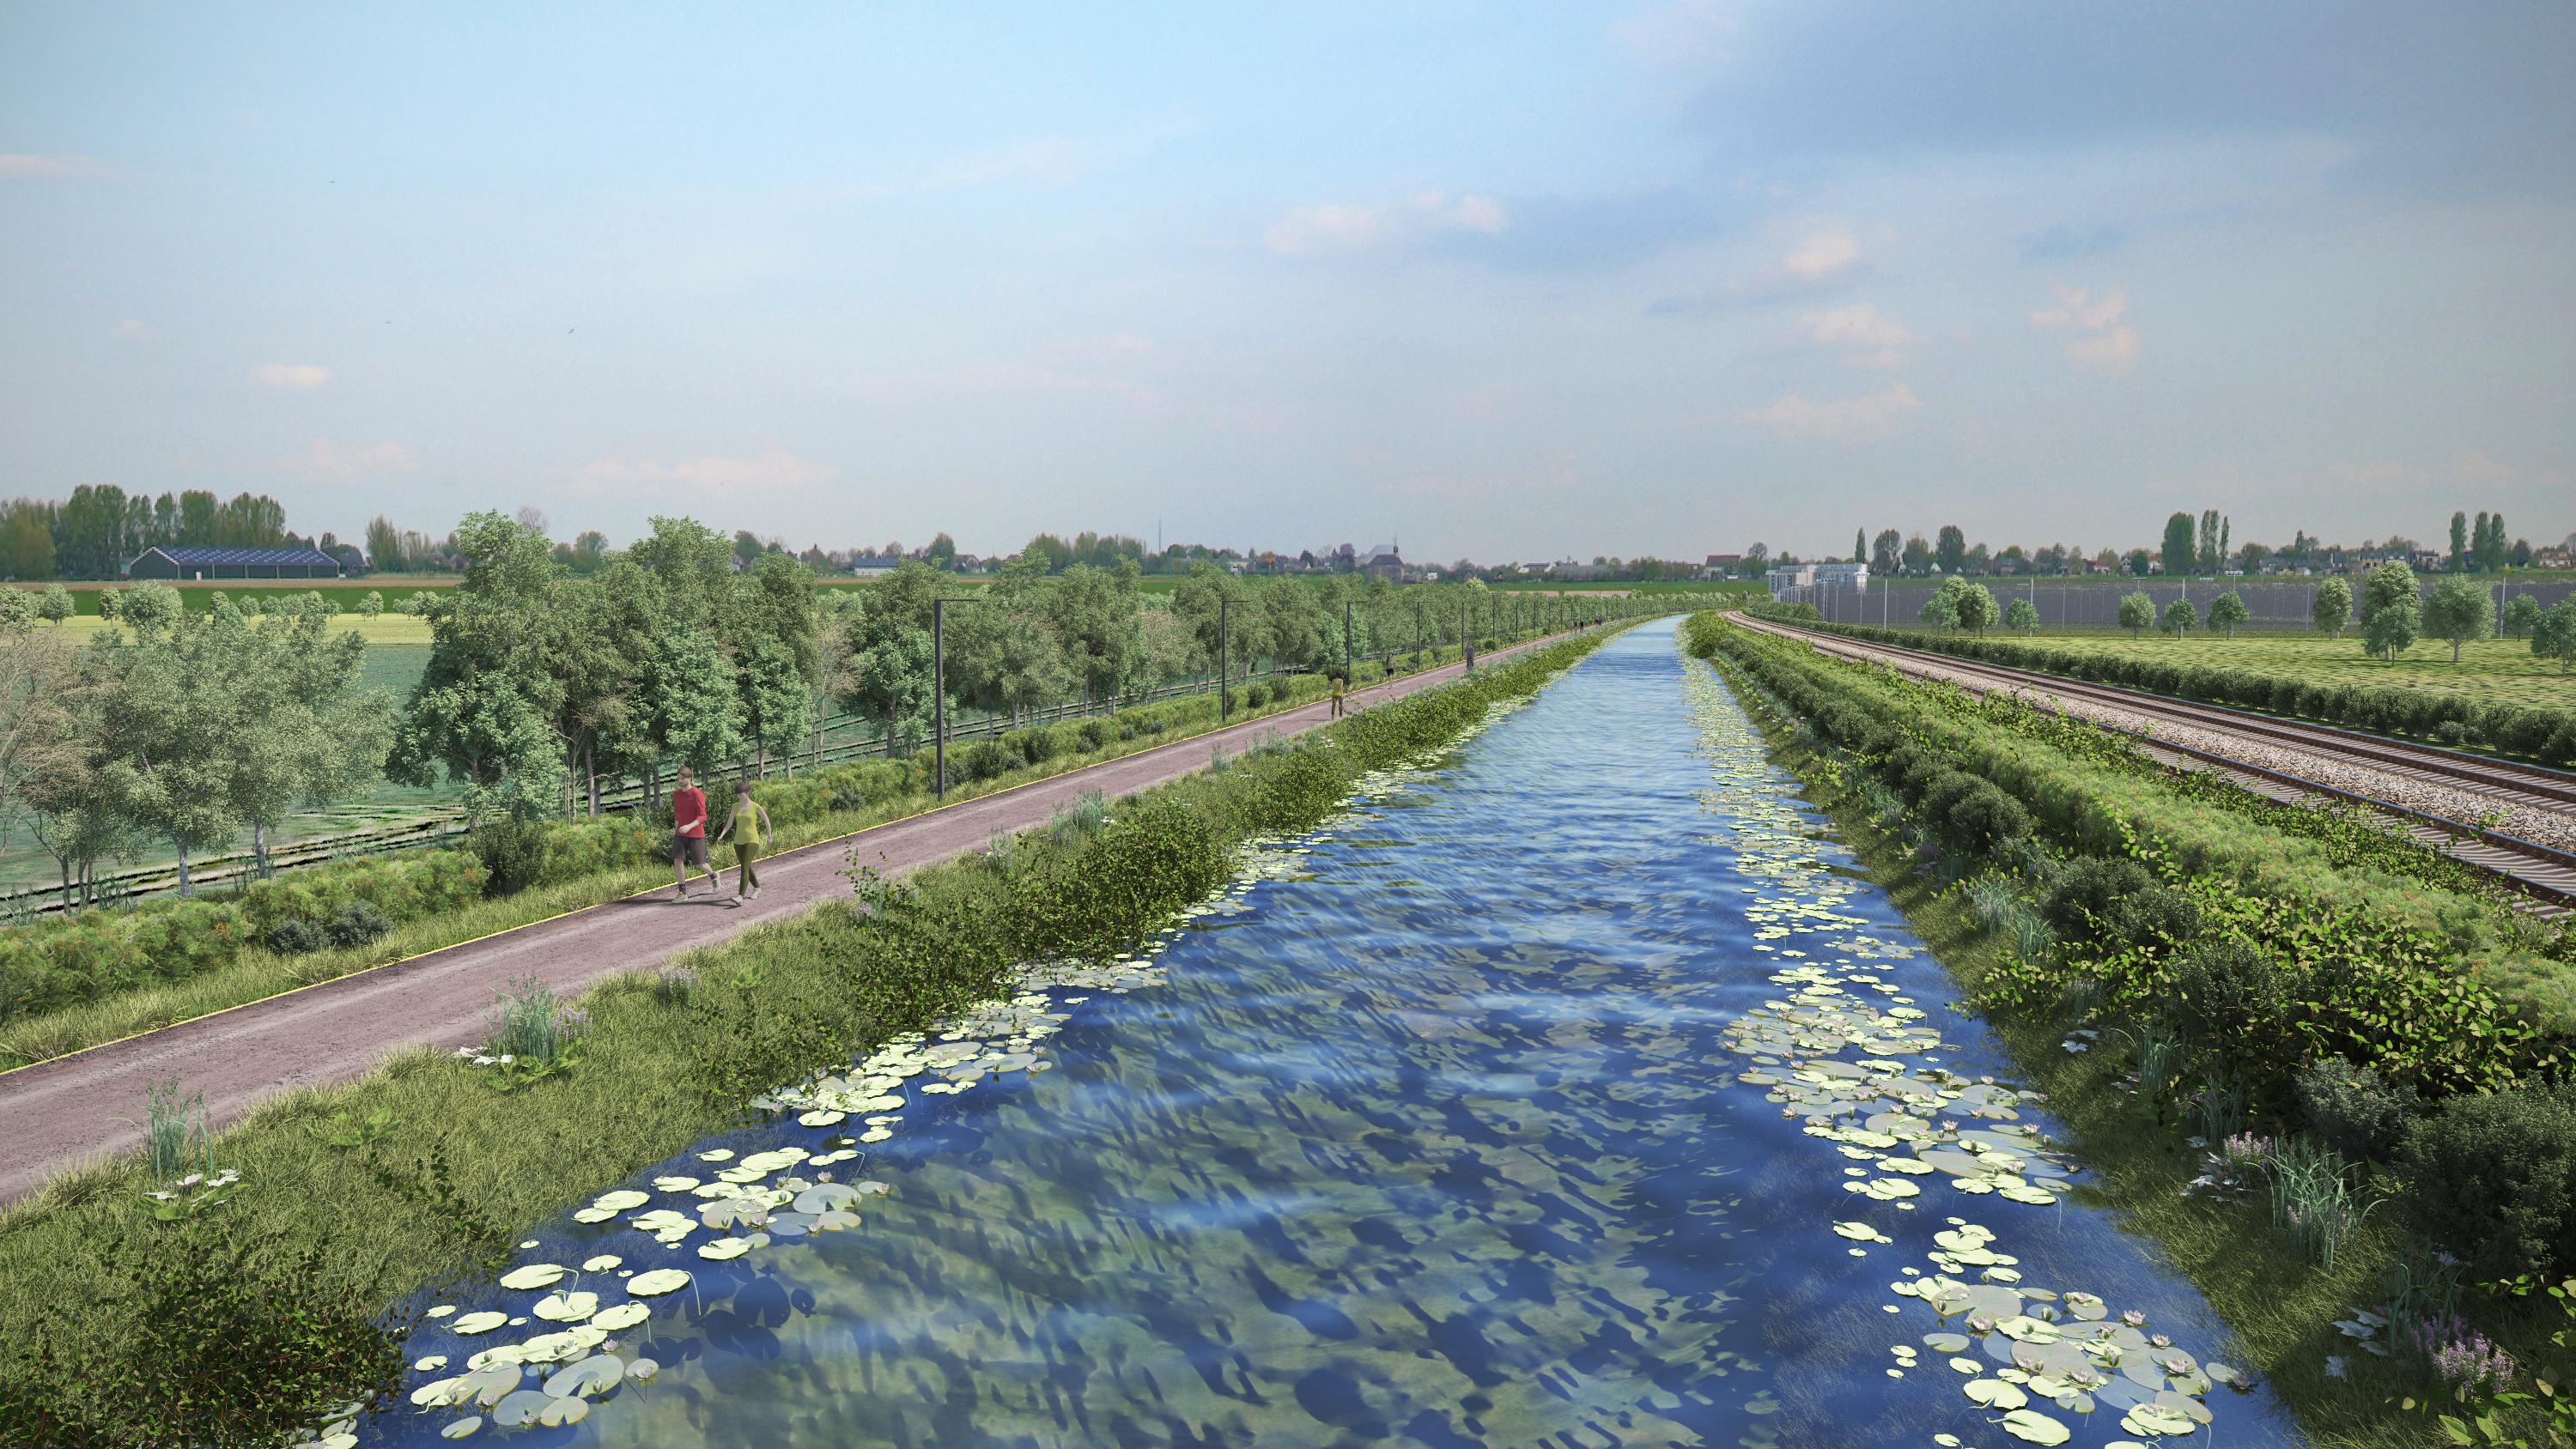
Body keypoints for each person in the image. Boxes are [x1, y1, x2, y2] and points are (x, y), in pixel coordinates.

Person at [713, 779, 773, 906]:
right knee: (747, 866)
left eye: (741, 794)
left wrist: (769, 836)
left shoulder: (756, 807)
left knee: (744, 867)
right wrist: (722, 834)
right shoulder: (735, 806)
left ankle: (740, 896)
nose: (739, 797)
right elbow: (729, 823)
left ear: (747, 793)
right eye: (737, 795)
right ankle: (757, 888)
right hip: (738, 841)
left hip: (752, 840)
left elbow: (767, 821)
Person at [667, 766, 719, 900]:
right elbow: (677, 813)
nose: (679, 781)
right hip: (680, 833)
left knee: (699, 863)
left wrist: (689, 826)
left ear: (689, 778)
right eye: (678, 778)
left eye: (682, 778)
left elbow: (703, 816)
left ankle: (714, 876)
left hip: (695, 833)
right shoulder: (676, 794)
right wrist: (677, 829)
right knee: (678, 861)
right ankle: (682, 893)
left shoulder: (697, 794)